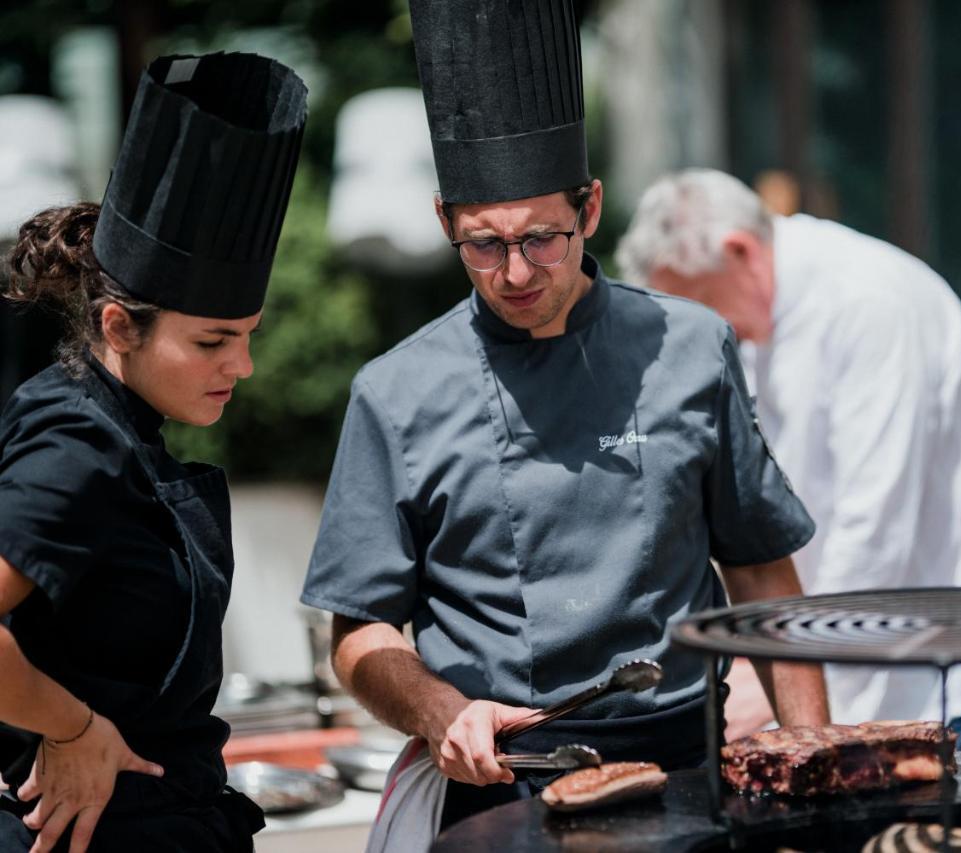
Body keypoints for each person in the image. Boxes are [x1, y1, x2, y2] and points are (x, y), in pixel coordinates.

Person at [300, 0, 828, 842]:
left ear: (589, 208)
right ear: (445, 222)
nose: (514, 272)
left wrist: (810, 758)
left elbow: (764, 572)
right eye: (481, 244)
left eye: (541, 238)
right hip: (498, 781)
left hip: (685, 769)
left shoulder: (690, 347)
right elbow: (360, 632)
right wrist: (442, 711)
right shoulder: (394, 390)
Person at [617, 168, 961, 751]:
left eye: (702, 306)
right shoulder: (762, 309)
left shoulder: (867, 303)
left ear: (740, 252)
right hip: (865, 646)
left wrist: (779, 679)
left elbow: (875, 526)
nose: (703, 331)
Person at [0, 52, 306, 852]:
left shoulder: (114, 423)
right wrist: (70, 729)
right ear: (117, 328)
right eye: (211, 342)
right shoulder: (77, 441)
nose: (239, 367)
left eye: (246, 338)